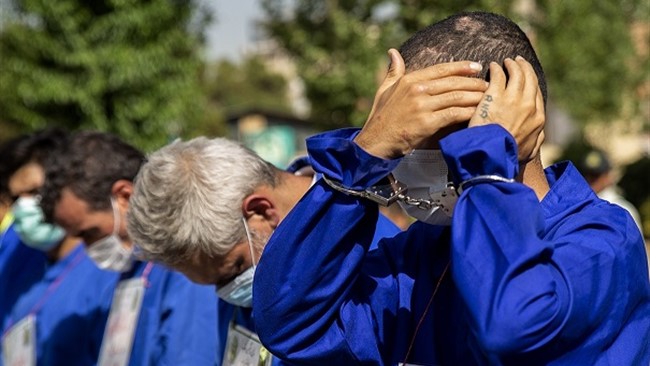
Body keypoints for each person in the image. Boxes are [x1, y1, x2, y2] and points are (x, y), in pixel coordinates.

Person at [251, 11, 650, 365]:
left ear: (493, 123)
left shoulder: (602, 241)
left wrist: (487, 165)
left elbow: (512, 328)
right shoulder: (419, 252)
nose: (396, 164)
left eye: (411, 139)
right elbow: (289, 323)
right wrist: (362, 158)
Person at [125, 136, 401, 365]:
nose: (230, 292)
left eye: (234, 271)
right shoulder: (236, 250)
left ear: (260, 212)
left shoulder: (376, 263)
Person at [40, 131, 218, 366]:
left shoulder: (184, 263)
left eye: (89, 233)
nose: (87, 248)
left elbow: (191, 356)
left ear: (124, 196)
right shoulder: (132, 267)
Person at [0, 128, 120, 366]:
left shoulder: (107, 261)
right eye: (16, 198)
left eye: (36, 192)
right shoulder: (16, 251)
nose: (26, 206)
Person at [577, 147, 644, 235]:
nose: (590, 179)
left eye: (595, 175)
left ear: (607, 175)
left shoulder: (623, 209)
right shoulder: (577, 206)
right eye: (586, 174)